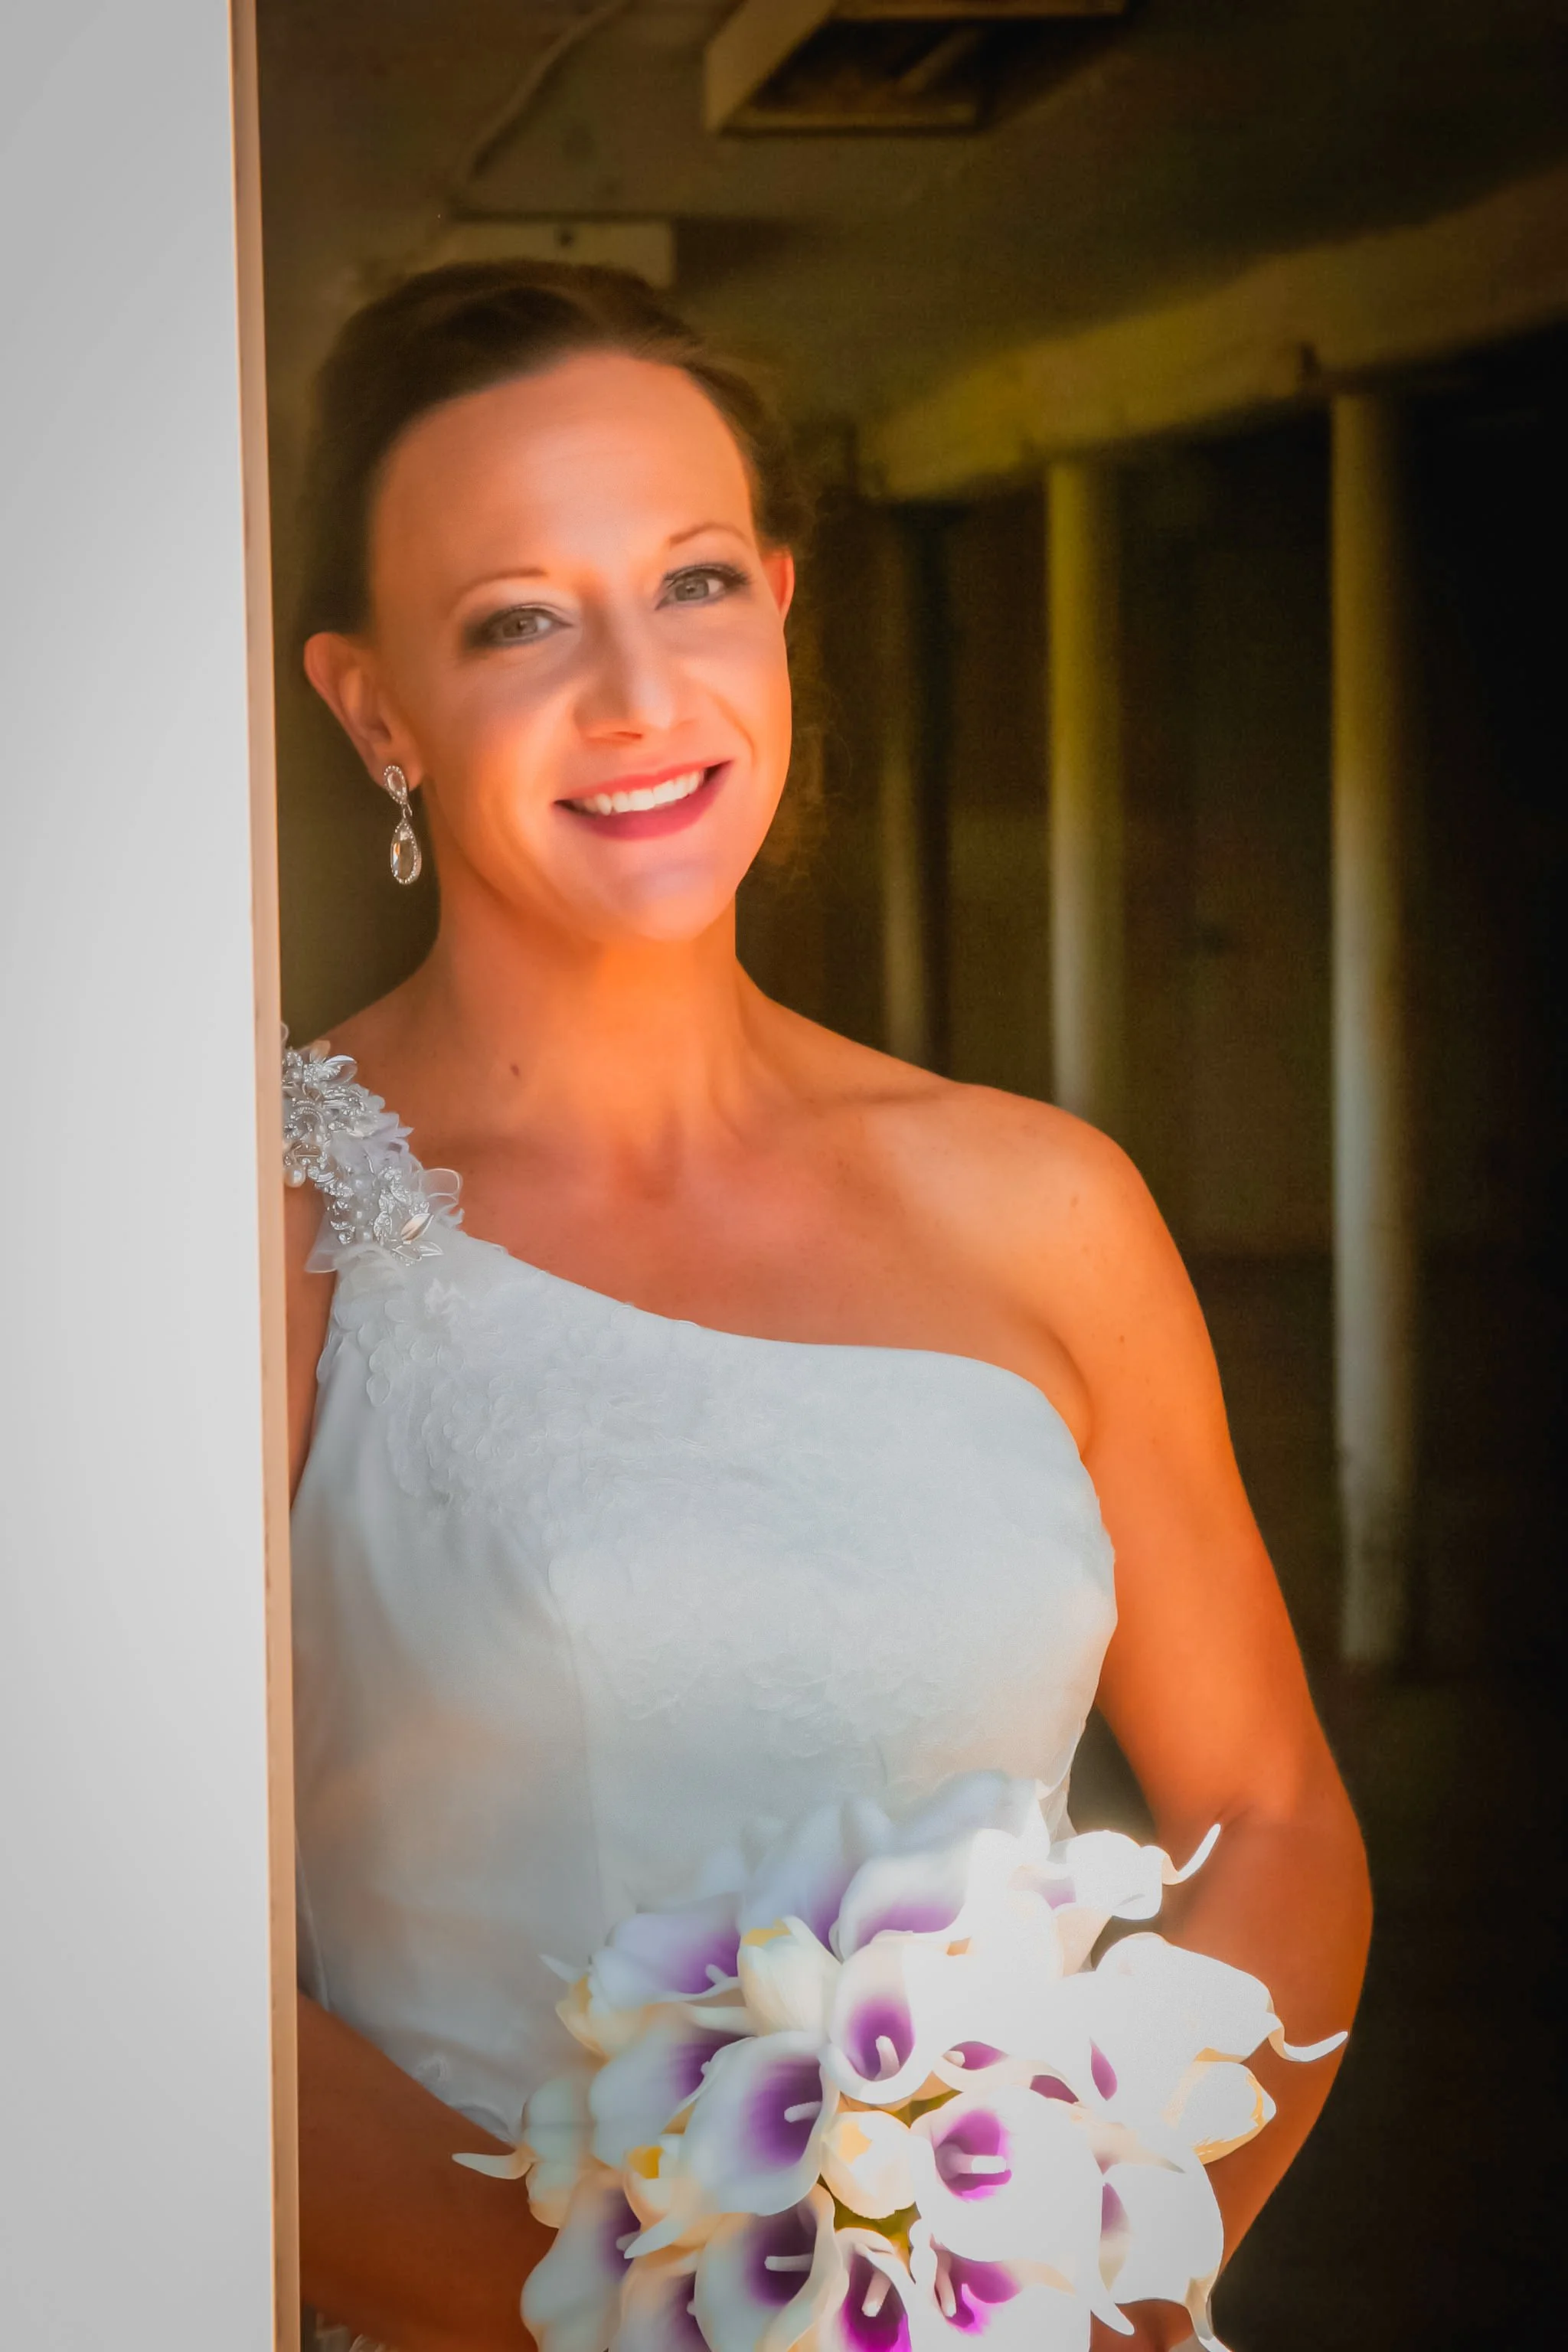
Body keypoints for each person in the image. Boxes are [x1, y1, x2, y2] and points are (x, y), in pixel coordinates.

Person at [283, 261, 1370, 2352]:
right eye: (519, 620)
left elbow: (1279, 1820)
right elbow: (124, 1962)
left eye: (690, 583)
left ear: (780, 602)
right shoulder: (257, 1227)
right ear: (374, 708)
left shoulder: (1049, 1203)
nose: (636, 697)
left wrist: (1096, 2269)